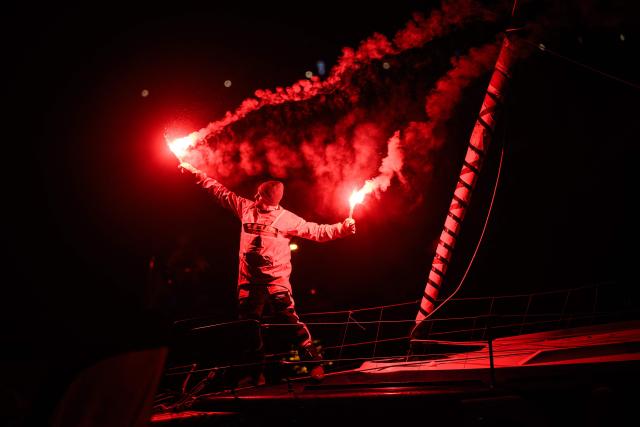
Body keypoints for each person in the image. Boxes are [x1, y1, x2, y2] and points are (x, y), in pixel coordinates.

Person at [178, 162, 356, 384]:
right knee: (249, 328)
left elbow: (317, 231)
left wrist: (343, 229)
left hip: (276, 282)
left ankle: (314, 363)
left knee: (289, 322)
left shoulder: (286, 219)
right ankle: (255, 373)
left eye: (259, 194)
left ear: (265, 197)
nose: (255, 195)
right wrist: (196, 173)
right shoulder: (246, 209)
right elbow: (220, 192)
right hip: (250, 283)